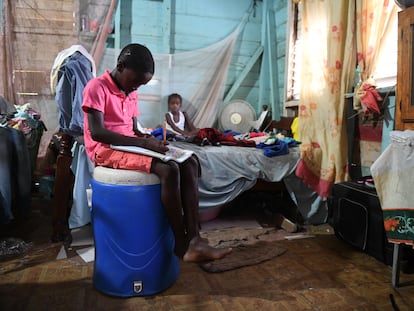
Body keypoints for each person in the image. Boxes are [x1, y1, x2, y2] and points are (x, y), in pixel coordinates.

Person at [82, 43, 232, 262]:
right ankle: (181, 245)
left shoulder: (130, 92)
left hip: (128, 145)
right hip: (104, 149)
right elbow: (97, 133)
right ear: (120, 66)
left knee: (189, 161)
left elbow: (133, 130)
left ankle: (195, 239)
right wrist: (144, 146)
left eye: (140, 85)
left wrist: (149, 140)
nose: (135, 89)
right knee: (168, 169)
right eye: (134, 82)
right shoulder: (97, 87)